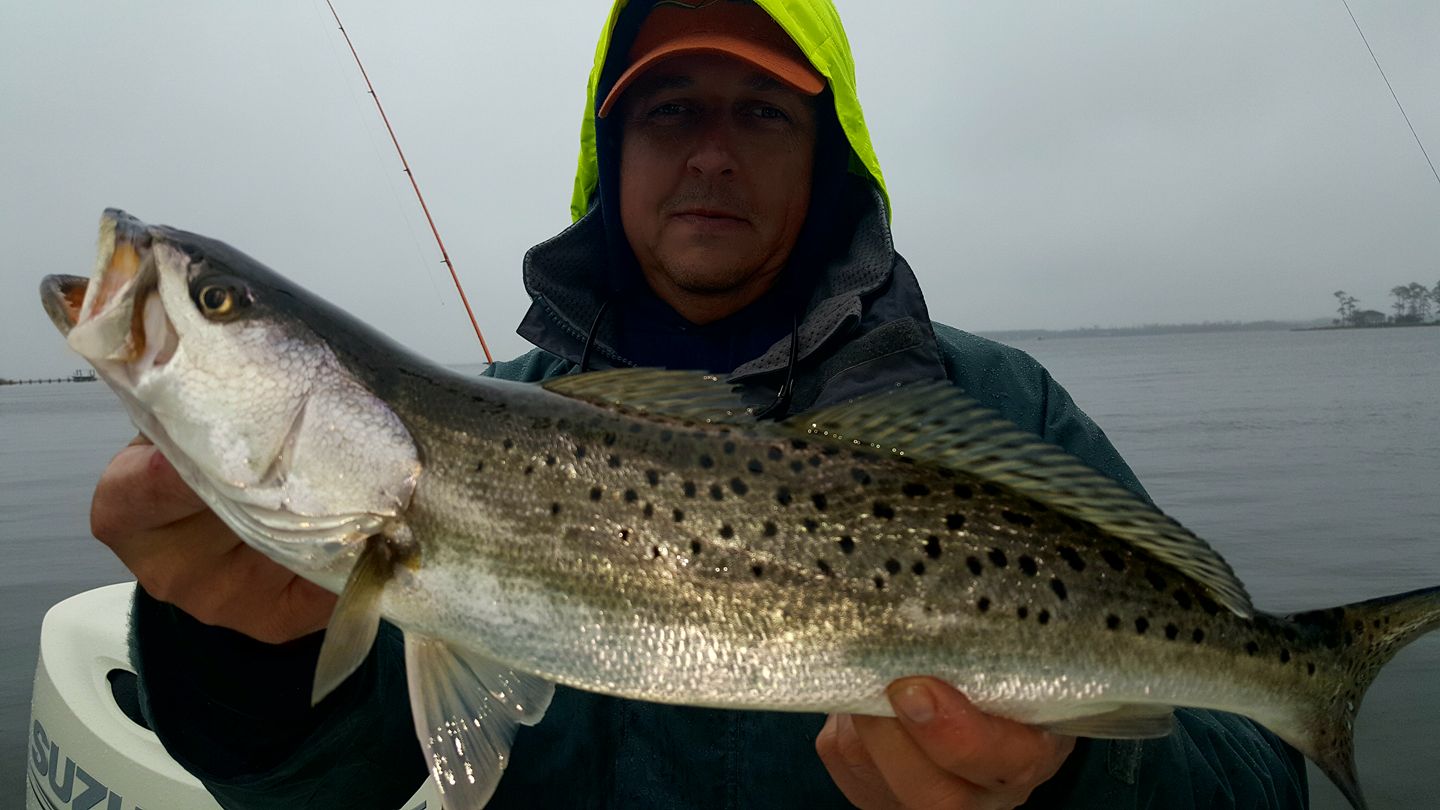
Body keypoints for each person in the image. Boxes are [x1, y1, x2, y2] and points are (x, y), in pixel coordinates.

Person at [93, 1, 1309, 808]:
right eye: (672, 111)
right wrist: (237, 647)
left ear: (826, 158)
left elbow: (1260, 773)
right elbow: (302, 790)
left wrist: (1063, 785)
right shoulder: (488, 427)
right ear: (612, 152)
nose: (712, 154)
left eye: (762, 113)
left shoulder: (998, 409)